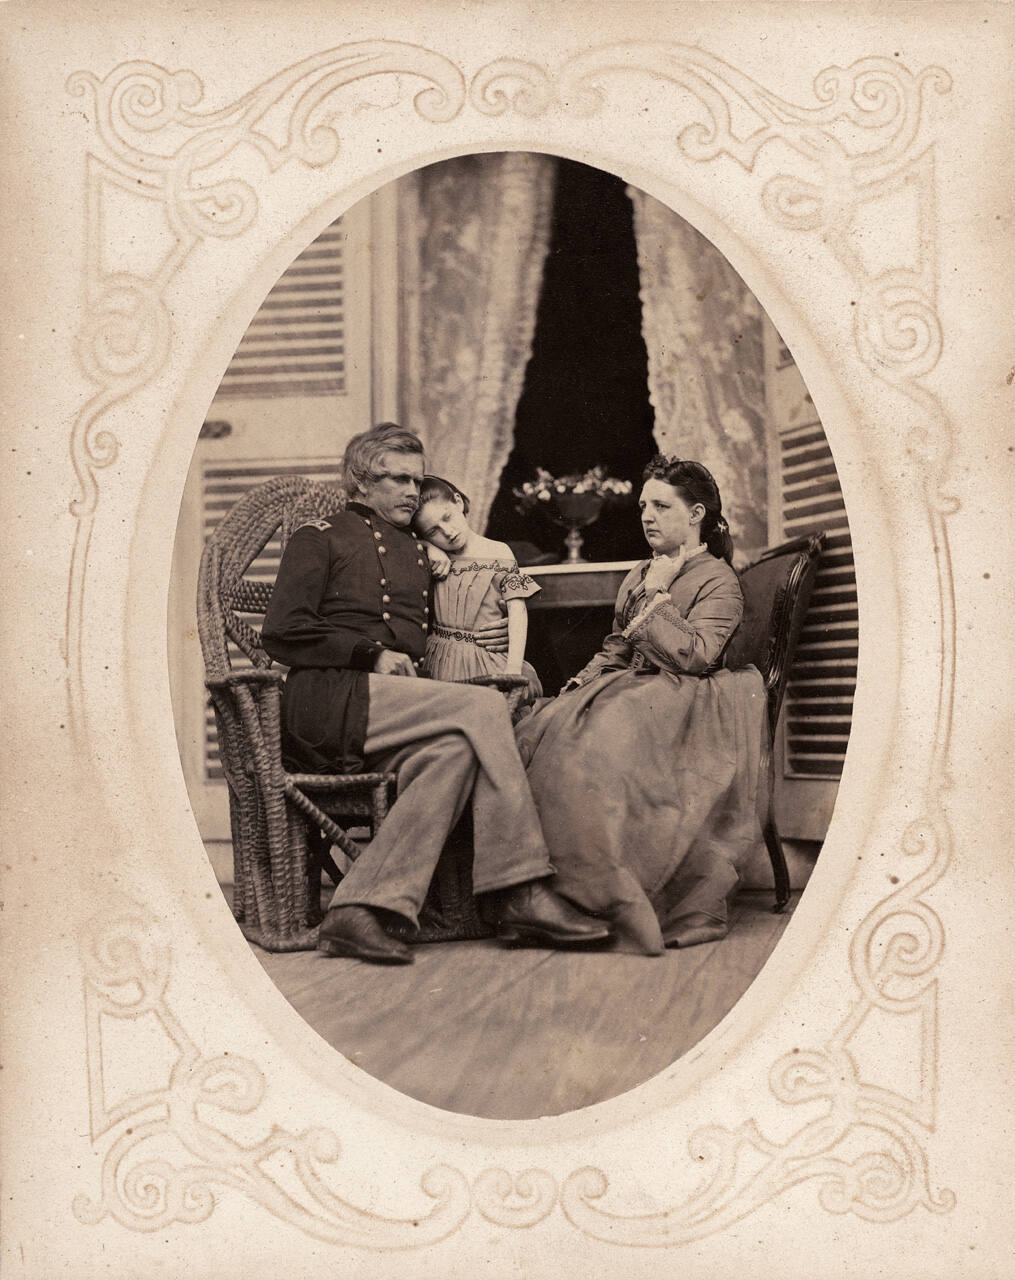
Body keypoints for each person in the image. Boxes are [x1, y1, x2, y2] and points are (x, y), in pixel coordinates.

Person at [260, 423, 610, 964]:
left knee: (454, 752)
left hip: (391, 713)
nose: (412, 491)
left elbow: (483, 578)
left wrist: (487, 624)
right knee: (484, 706)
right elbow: (282, 630)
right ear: (360, 481)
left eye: (416, 480)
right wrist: (369, 654)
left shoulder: (420, 548)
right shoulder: (320, 535)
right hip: (329, 702)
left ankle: (358, 908)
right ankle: (519, 890)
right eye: (397, 479)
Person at [514, 456, 770, 956]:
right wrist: (578, 686)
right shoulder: (639, 573)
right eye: (643, 507)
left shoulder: (717, 579)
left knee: (591, 747)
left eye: (661, 506)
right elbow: (616, 648)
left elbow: (696, 655)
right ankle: (553, 897)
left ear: (695, 514)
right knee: (538, 732)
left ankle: (607, 896)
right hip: (633, 690)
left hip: (685, 700)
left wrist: (657, 594)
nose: (647, 516)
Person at [412, 474, 542, 706]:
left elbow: (518, 612)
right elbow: (401, 541)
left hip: (485, 659)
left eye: (447, 517)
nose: (447, 532)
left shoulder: (498, 552)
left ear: (458, 502)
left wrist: (513, 669)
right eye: (433, 532)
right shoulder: (432, 556)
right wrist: (428, 546)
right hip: (440, 659)